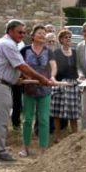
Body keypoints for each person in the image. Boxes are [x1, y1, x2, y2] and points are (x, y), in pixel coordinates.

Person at [0, 20, 53, 161]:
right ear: (10, 31)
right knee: (1, 120)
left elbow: (13, 68)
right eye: (19, 32)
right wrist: (42, 79)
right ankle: (0, 150)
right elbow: (22, 66)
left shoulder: (7, 43)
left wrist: (18, 79)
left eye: (23, 32)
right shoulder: (8, 44)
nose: (22, 35)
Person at [19, 25, 57, 157]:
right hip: (29, 89)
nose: (42, 35)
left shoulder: (48, 51)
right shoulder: (25, 50)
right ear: (33, 35)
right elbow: (19, 66)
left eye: (44, 33)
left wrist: (52, 76)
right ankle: (25, 147)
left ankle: (43, 149)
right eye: (39, 33)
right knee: (27, 119)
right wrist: (23, 77)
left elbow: (53, 66)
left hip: (45, 89)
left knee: (44, 120)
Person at [50, 29, 81, 142]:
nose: (68, 39)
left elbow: (78, 68)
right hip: (59, 83)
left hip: (73, 84)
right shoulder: (56, 53)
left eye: (69, 37)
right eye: (65, 37)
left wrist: (80, 79)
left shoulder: (75, 52)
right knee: (57, 112)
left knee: (73, 112)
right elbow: (53, 68)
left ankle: (75, 136)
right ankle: (57, 136)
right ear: (61, 40)